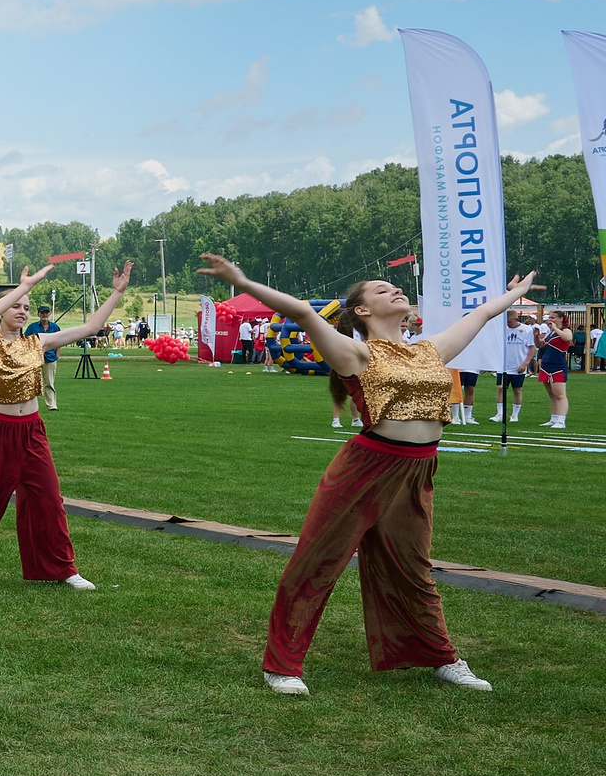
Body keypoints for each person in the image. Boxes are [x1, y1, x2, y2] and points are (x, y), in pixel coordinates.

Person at [198, 254, 532, 697]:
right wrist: (242, 281)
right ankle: (282, 665)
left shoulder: (431, 349)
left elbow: (483, 314)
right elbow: (300, 312)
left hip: (417, 471)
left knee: (414, 570)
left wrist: (513, 295)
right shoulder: (355, 352)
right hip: (366, 469)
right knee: (318, 562)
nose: (394, 289)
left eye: (393, 287)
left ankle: (442, 657)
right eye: (380, 289)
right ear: (362, 311)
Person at [0, 261, 132, 590]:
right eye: (16, 306)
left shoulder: (38, 342)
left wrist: (117, 292)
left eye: (26, 307)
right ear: (3, 309)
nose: (22, 311)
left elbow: (90, 327)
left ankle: (63, 568)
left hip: (32, 431)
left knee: (48, 499)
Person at [535, 311, 573, 428]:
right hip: (546, 365)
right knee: (551, 394)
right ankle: (554, 418)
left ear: (560, 319)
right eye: (549, 318)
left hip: (558, 365)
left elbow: (568, 338)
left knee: (560, 395)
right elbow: (541, 345)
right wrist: (536, 336)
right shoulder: (550, 332)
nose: (550, 320)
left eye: (553, 318)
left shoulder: (565, 330)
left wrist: (556, 328)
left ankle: (561, 421)